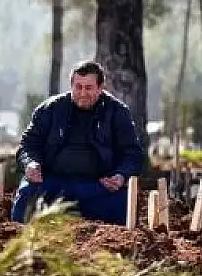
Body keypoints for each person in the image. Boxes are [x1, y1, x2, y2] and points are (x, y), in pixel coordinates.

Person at [11, 60, 144, 225]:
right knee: (27, 195)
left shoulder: (117, 112)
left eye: (88, 88)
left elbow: (132, 154)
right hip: (52, 181)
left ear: (101, 87)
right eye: (78, 87)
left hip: (97, 185)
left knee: (120, 204)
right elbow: (28, 145)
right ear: (71, 85)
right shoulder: (49, 109)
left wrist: (120, 176)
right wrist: (30, 163)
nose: (82, 93)